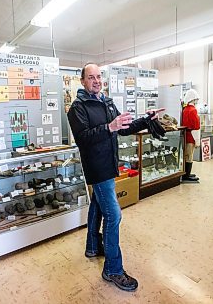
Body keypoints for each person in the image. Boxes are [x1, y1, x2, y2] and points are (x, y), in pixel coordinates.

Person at [67, 63, 164, 292]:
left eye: (99, 76)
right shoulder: (77, 108)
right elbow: (83, 138)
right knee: (114, 215)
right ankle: (112, 269)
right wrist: (109, 127)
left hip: (110, 164)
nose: (96, 80)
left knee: (98, 207)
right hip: (97, 168)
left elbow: (123, 127)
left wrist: (145, 120)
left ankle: (92, 246)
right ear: (83, 81)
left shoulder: (107, 101)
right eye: (91, 77)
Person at [181, 89, 201, 182]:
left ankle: (186, 173)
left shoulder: (185, 109)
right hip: (192, 135)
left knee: (186, 155)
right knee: (190, 156)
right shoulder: (193, 110)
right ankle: (186, 175)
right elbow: (196, 126)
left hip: (186, 135)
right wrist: (197, 140)